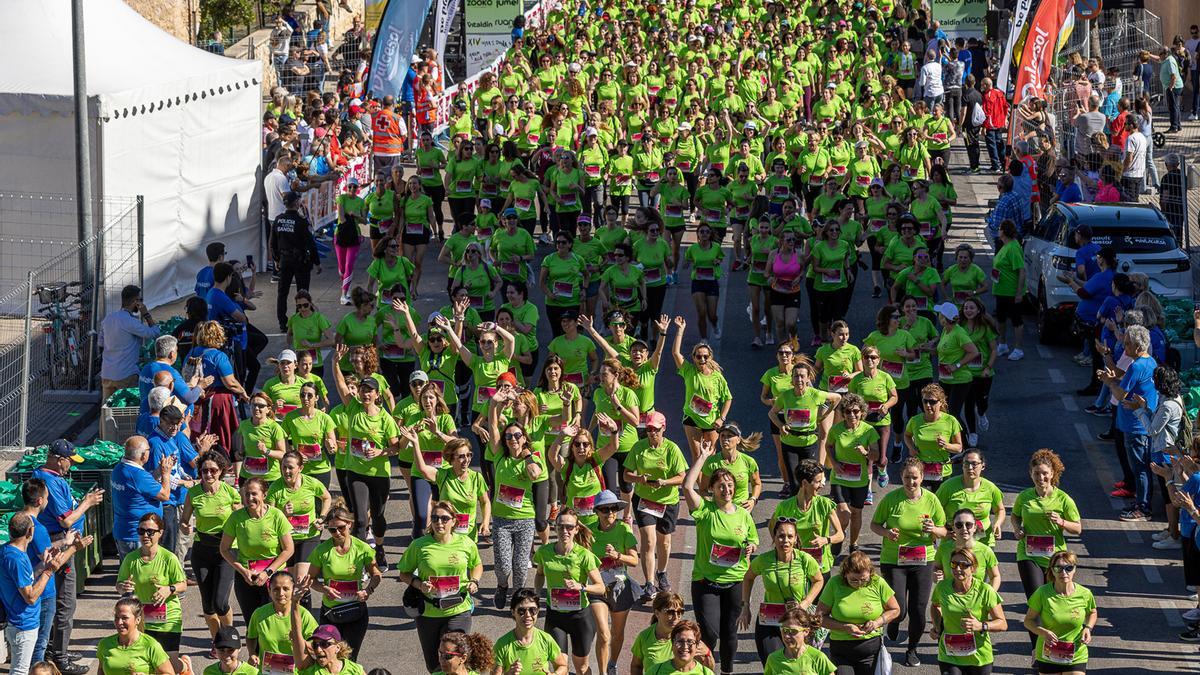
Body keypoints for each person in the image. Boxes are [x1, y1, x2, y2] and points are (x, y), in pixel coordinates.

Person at [684, 440, 759, 675]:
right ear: (713, 489)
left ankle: (726, 671)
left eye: (730, 485)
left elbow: (753, 540)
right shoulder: (705, 510)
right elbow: (687, 487)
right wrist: (703, 457)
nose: (726, 489)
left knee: (729, 633)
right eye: (721, 486)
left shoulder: (743, 515)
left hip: (733, 582)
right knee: (710, 632)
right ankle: (703, 669)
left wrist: (751, 548)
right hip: (706, 582)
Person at [32, 440, 103, 672]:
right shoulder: (50, 481)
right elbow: (66, 520)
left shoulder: (46, 476)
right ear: (58, 459)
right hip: (59, 542)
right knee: (65, 601)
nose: (71, 466)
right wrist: (87, 503)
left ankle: (56, 648)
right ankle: (59, 656)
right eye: (69, 461)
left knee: (59, 601)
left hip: (58, 539)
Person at [870, 457, 948, 667]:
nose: (911, 482)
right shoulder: (891, 499)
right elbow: (874, 525)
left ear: (922, 477)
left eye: (914, 478)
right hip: (894, 559)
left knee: (918, 608)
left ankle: (912, 649)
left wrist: (934, 530)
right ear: (901, 477)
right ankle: (895, 620)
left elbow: (944, 530)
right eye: (907, 478)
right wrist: (886, 532)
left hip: (923, 559)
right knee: (900, 609)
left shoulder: (931, 500)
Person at [398, 500, 484, 672]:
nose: (439, 523)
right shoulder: (419, 545)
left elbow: (477, 565)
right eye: (435, 518)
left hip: (458, 609)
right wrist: (419, 584)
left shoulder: (466, 543)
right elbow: (403, 573)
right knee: (435, 666)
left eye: (444, 519)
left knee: (453, 658)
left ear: (454, 521)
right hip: (429, 612)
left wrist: (474, 581)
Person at [739, 516, 824, 666]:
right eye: (781, 536)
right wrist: (745, 606)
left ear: (796, 538)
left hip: (795, 620)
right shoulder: (764, 560)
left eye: (790, 536)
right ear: (774, 537)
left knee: (795, 665)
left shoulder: (804, 559)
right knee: (774, 664)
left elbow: (818, 580)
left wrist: (806, 602)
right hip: (770, 619)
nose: (785, 541)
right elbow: (748, 578)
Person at [624, 411, 688, 601]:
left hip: (667, 501)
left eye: (655, 430)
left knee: (664, 541)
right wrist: (638, 478)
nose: (652, 433)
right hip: (644, 499)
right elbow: (626, 475)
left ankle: (662, 572)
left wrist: (664, 482)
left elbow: (682, 477)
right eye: (649, 429)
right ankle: (649, 583)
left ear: (664, 429)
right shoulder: (639, 447)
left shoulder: (672, 449)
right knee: (649, 541)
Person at [532, 508, 604, 674]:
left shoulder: (584, 555)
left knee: (581, 667)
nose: (565, 531)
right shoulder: (544, 552)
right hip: (555, 616)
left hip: (580, 618)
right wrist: (536, 595)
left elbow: (601, 588)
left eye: (569, 527)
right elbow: (540, 574)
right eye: (561, 526)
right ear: (555, 527)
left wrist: (582, 587)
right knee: (560, 665)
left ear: (576, 529)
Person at [1100, 324, 1160, 522]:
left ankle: (1143, 508)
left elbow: (1120, 393)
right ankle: (1142, 503)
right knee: (1141, 466)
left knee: (1140, 468)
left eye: (1127, 343)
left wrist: (1109, 382)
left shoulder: (1136, 366)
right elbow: (1125, 378)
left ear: (1137, 345)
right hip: (1140, 423)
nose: (1124, 346)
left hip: (1136, 426)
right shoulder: (1148, 362)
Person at [219, 477, 295, 627]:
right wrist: (243, 571)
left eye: (254, 494)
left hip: (274, 577)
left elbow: (288, 549)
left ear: (264, 495)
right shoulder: (236, 518)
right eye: (246, 494)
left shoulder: (276, 515)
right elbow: (224, 549)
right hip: (247, 578)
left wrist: (268, 572)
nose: (249, 498)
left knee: (273, 623)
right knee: (253, 624)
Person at [180, 451, 240, 640]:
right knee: (208, 604)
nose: (208, 474)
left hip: (227, 551)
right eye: (204, 470)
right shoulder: (193, 493)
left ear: (221, 471)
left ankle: (229, 636)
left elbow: (242, 520)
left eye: (213, 470)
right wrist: (185, 527)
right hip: (202, 551)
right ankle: (217, 641)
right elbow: (184, 521)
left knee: (220, 602)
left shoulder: (230, 493)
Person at [1013, 449, 1083, 608]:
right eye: (1036, 473)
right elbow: (1015, 515)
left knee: (1053, 603)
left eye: (1044, 473)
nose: (1040, 478)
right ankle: (1036, 633)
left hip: (1055, 557)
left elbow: (1078, 528)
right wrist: (1018, 529)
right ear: (1031, 473)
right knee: (1035, 601)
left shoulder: (1063, 499)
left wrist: (1061, 522)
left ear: (1052, 474)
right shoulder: (1024, 496)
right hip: (1028, 553)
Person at [115, 513, 186, 668]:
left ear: (160, 533)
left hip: (168, 618)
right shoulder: (131, 559)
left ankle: (185, 666)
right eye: (141, 531)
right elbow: (119, 585)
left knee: (170, 666)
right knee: (147, 664)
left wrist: (169, 589)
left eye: (150, 532)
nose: (145, 535)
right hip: (143, 619)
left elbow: (183, 584)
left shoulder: (169, 558)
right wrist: (123, 587)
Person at [817, 550, 901, 675]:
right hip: (841, 651)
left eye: (864, 579)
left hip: (870, 650)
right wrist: (845, 627)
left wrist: (877, 622)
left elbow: (895, 609)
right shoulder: (835, 583)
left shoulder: (877, 582)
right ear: (845, 574)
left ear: (870, 573)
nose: (859, 584)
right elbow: (819, 617)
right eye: (854, 580)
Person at [929, 548, 1008, 675]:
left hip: (979, 657)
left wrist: (981, 625)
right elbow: (935, 605)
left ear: (973, 568)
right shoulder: (942, 587)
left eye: (964, 565)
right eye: (954, 564)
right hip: (949, 654)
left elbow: (1002, 623)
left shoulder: (985, 590)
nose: (958, 569)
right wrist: (937, 627)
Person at [0, 514, 62, 675]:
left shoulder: (10, 551)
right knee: (20, 671)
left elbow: (25, 580)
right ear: (30, 532)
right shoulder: (16, 558)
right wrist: (49, 571)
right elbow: (30, 597)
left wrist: (44, 564)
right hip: (22, 625)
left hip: (20, 623)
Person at [587, 490, 639, 675]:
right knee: (604, 633)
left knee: (617, 634)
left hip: (620, 587)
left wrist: (617, 556)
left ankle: (612, 664)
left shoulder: (624, 529)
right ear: (597, 511)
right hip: (597, 588)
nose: (609, 512)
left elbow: (634, 560)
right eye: (604, 509)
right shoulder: (589, 531)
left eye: (613, 508)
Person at [770, 360, 840, 492]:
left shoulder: (815, 394)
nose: (799, 379)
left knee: (809, 482)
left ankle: (809, 508)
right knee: (795, 485)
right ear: (792, 378)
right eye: (796, 376)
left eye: (802, 376)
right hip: (789, 444)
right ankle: (796, 508)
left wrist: (824, 416)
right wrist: (781, 425)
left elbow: (837, 398)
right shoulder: (785, 396)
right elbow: (772, 413)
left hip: (808, 444)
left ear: (808, 378)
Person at [1023, 551, 1097, 675]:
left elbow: (1092, 612)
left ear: (1074, 569)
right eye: (1058, 568)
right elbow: (1028, 621)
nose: (1064, 573)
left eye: (1068, 568)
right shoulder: (1042, 593)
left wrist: (1088, 628)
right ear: (1052, 570)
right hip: (1048, 653)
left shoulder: (1085, 594)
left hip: (1076, 654)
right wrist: (1043, 632)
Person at [827, 394, 882, 550]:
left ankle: (853, 544)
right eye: (848, 411)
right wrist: (834, 463)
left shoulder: (868, 431)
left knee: (856, 513)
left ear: (862, 412)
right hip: (839, 477)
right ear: (843, 413)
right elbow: (828, 446)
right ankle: (840, 535)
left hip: (859, 480)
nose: (852, 415)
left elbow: (876, 455)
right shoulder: (836, 430)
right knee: (844, 512)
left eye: (856, 411)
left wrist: (865, 452)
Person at [270, 191, 322, 332]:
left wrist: (276, 259)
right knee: (303, 292)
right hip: (300, 261)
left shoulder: (278, 220)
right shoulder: (301, 221)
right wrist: (316, 262)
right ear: (296, 204)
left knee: (282, 293)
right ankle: (301, 320)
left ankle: (283, 323)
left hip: (285, 260)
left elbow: (272, 242)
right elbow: (310, 243)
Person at [100, 284, 161, 400]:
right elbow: (155, 333)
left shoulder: (108, 318)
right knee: (126, 412)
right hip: (126, 374)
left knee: (106, 411)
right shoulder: (130, 321)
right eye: (140, 300)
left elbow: (101, 343)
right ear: (135, 302)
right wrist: (146, 314)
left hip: (107, 373)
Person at [936, 448, 1006, 549]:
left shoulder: (990, 487)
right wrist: (942, 529)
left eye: (974, 464)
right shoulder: (948, 486)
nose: (970, 467)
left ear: (983, 466)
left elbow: (1000, 509)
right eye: (966, 463)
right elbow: (935, 509)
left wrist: (997, 523)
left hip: (983, 541)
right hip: (954, 541)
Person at [248, 571, 316, 672]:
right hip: (267, 672)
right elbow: (251, 637)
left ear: (293, 590)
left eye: (286, 589)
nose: (281, 593)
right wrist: (252, 653)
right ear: (269, 591)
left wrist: (298, 640)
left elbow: (316, 645)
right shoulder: (259, 614)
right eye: (276, 589)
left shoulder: (303, 615)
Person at [491, 589, 569, 675]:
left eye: (532, 610)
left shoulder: (546, 639)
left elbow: (562, 666)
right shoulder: (502, 645)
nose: (528, 615)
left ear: (538, 611)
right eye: (521, 611)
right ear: (513, 612)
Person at [905, 383, 965, 491]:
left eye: (932, 402)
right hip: (921, 468)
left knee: (940, 503)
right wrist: (911, 447)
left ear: (940, 403)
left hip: (942, 470)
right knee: (923, 503)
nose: (928, 405)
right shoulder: (915, 421)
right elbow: (907, 435)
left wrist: (946, 445)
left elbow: (959, 448)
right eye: (925, 401)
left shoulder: (950, 421)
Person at [95, 598, 173, 675]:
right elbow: (101, 670)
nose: (119, 622)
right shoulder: (104, 644)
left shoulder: (150, 645)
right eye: (117, 617)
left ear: (137, 620)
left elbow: (169, 673)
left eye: (124, 618)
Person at [763, 608, 836, 675]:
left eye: (793, 631)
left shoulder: (818, 658)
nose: (787, 636)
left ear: (806, 631)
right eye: (784, 630)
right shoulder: (773, 659)